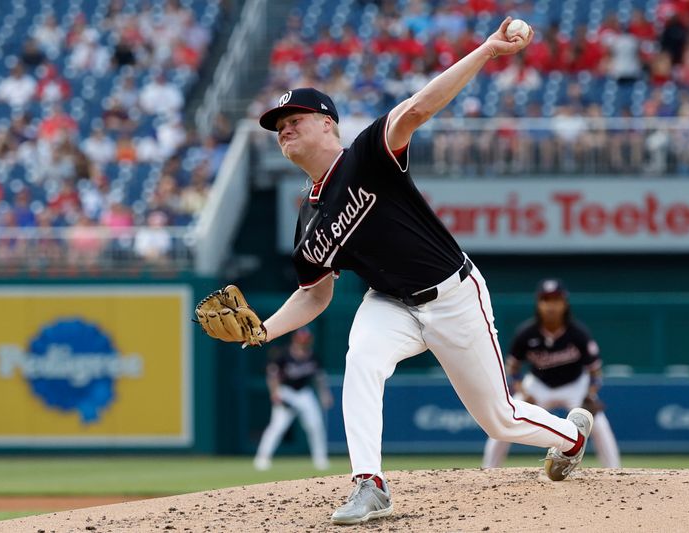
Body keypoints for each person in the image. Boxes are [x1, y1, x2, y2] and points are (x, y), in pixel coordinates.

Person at [251, 18, 594, 525]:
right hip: (390, 302)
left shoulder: (367, 155)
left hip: (453, 294)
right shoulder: (306, 222)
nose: (285, 129)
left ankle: (571, 436)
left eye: (295, 118)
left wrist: (484, 51)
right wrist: (263, 329)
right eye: (279, 126)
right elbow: (314, 295)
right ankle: (369, 485)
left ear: (328, 122)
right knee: (362, 358)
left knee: (498, 419)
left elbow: (417, 108)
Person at [482, 279, 621, 470]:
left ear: (565, 303)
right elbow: (512, 368)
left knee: (599, 424)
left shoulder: (578, 333)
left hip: (575, 386)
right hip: (538, 386)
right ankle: (488, 470)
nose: (550, 306)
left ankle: (615, 471)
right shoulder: (526, 334)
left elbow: (595, 371)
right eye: (546, 300)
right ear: (538, 304)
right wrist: (522, 390)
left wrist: (590, 394)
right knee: (506, 418)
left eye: (556, 300)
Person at [253, 327, 333, 471]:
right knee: (277, 426)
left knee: (315, 425)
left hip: (304, 393)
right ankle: (262, 458)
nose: (303, 341)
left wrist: (325, 395)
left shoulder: (313, 356)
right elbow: (272, 375)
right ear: (295, 339)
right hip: (286, 392)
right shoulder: (283, 355)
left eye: (306, 339)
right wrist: (275, 392)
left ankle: (320, 459)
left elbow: (320, 378)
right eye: (300, 338)